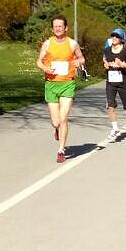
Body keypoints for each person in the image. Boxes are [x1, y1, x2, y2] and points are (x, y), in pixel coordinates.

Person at [36, 14, 85, 163]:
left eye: (60, 26)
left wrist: (78, 62)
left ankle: (61, 150)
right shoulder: (47, 44)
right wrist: (45, 68)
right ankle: (56, 128)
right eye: (55, 26)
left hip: (67, 84)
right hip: (51, 84)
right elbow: (39, 62)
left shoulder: (72, 44)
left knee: (63, 118)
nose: (57, 28)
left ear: (66, 28)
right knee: (56, 122)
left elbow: (82, 58)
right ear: (53, 29)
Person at [102, 28, 126, 140]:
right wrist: (106, 64)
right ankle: (115, 128)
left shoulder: (125, 51)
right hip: (110, 82)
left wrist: (122, 64)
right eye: (113, 36)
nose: (114, 38)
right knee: (110, 105)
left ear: (121, 39)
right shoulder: (107, 50)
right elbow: (104, 60)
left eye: (117, 36)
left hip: (123, 82)